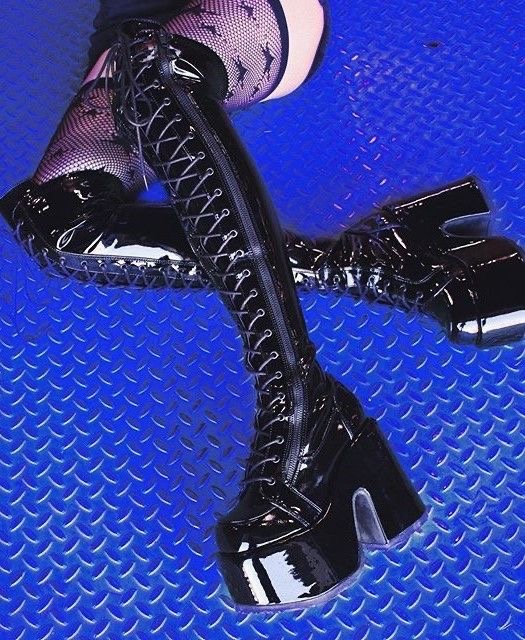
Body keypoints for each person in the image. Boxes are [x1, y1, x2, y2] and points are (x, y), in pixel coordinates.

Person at [0, 0, 523, 607]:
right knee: (57, 221)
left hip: (244, 18)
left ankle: (302, 408)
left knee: (154, 68)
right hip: (126, 51)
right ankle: (387, 263)